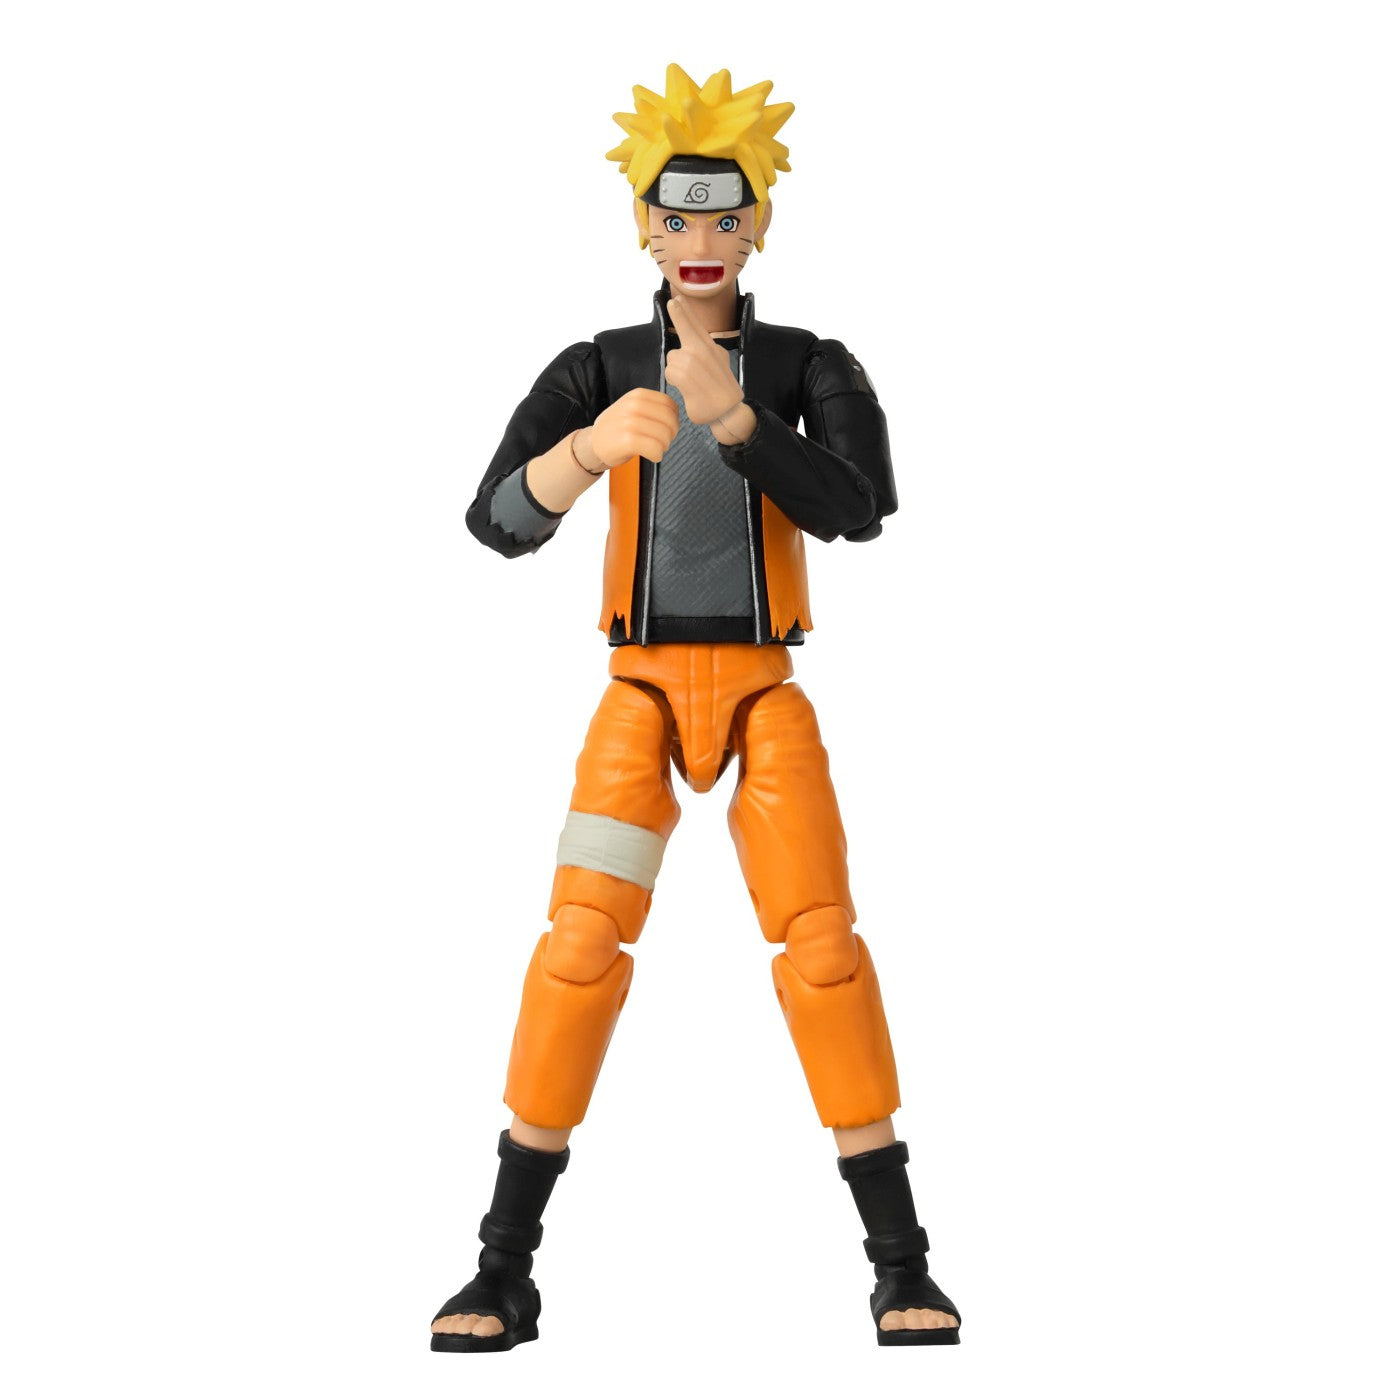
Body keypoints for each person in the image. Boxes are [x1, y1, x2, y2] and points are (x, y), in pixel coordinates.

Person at [431, 64, 960, 1351]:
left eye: (724, 214)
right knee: (577, 945)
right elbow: (494, 521)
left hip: (766, 691)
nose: (701, 239)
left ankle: (902, 1261)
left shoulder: (806, 363)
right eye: (677, 216)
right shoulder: (597, 366)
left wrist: (742, 428)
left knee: (822, 947)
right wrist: (581, 453)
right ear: (643, 227)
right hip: (642, 695)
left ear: (759, 222)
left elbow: (858, 508)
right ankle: (502, 1267)